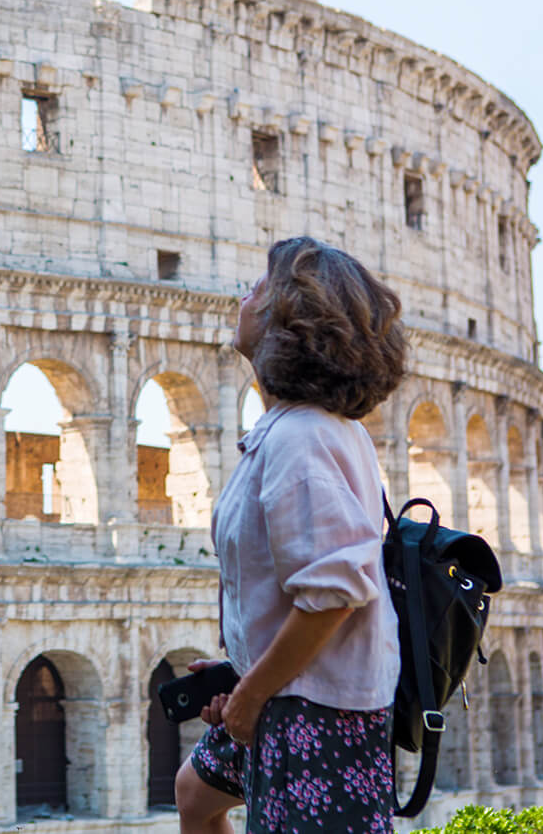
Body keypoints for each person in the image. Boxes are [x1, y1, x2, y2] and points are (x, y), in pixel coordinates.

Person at [175, 236, 408, 834]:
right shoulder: (297, 430)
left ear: (288, 321)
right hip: (294, 692)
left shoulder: (300, 439)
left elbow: (333, 592)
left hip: (318, 713)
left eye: (256, 289)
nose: (242, 297)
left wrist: (250, 696)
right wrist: (243, 670)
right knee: (195, 793)